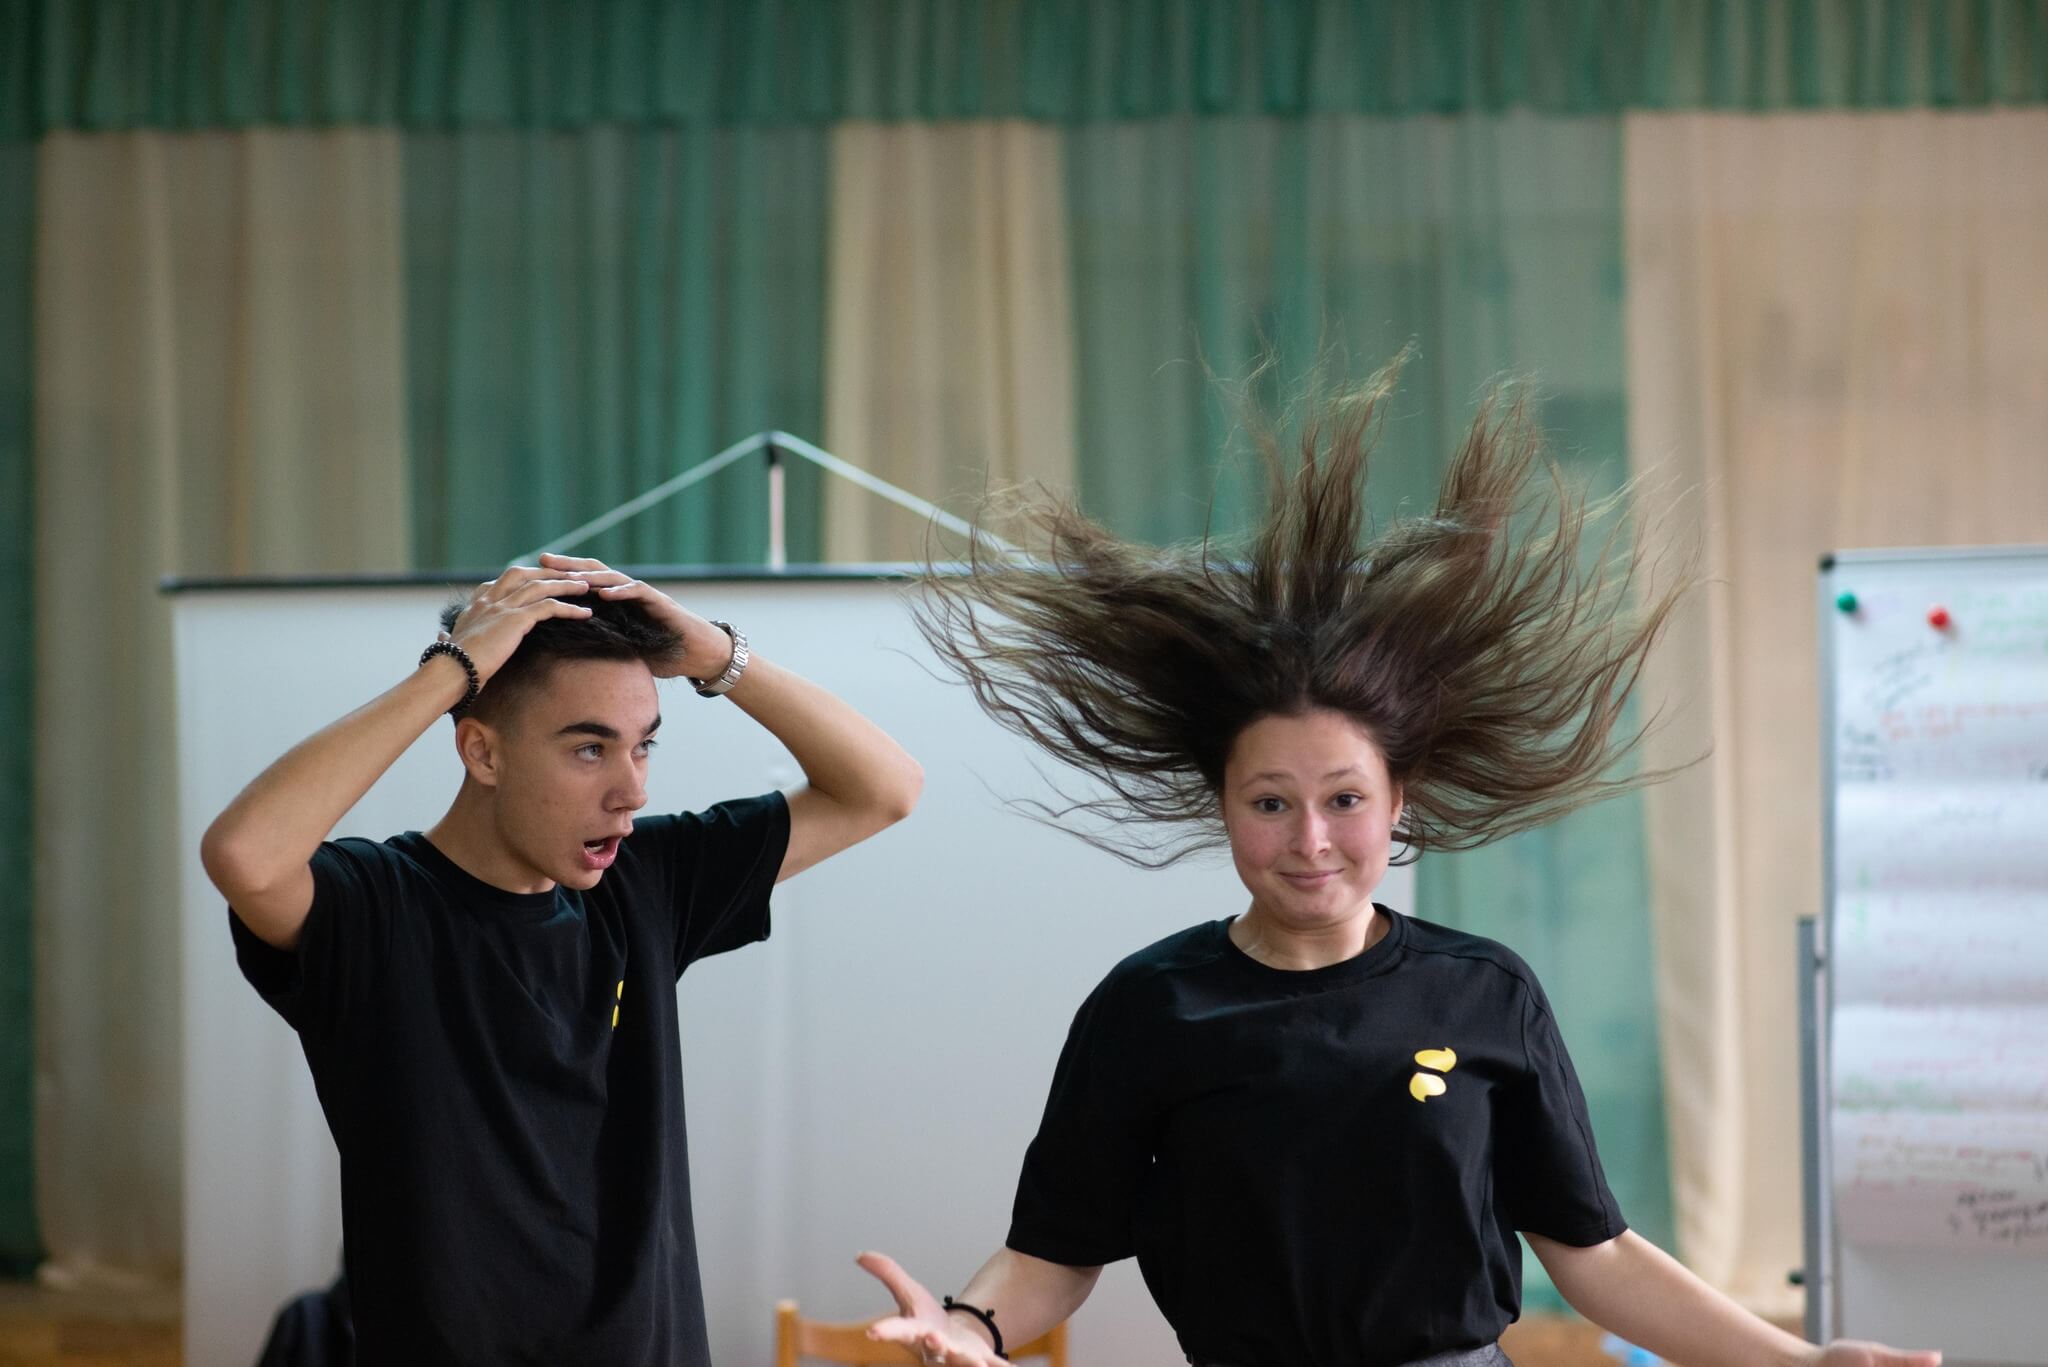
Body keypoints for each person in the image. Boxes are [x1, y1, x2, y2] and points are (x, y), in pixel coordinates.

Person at [856, 369, 1938, 1367]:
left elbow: (1594, 1253)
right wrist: (969, 1324)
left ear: (1397, 801)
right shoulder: (1148, 1006)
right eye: (1269, 803)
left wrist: (1799, 1361)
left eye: (1344, 800)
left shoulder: (1485, 991)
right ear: (1223, 804)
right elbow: (1054, 1250)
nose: (1310, 841)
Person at [203, 552, 922, 1366]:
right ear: (483, 753)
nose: (632, 791)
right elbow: (245, 854)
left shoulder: (643, 884)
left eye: (643, 746)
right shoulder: (377, 908)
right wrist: (453, 671)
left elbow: (884, 787)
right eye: (589, 749)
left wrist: (715, 654)